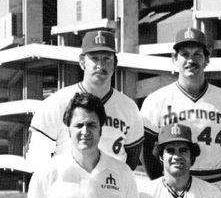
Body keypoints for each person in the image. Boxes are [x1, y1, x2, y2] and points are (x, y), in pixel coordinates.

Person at [26, 29, 144, 169]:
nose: (100, 65)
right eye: (94, 58)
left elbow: (131, 161)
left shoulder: (128, 107)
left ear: (115, 64)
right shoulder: (57, 103)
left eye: (107, 58)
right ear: (82, 62)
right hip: (68, 185)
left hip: (111, 186)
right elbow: (36, 158)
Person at [140, 27, 221, 181]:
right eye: (185, 54)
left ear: (207, 59)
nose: (191, 60)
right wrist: (161, 185)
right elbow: (147, 153)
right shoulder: (156, 101)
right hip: (174, 184)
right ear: (174, 59)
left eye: (197, 54)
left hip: (215, 182)